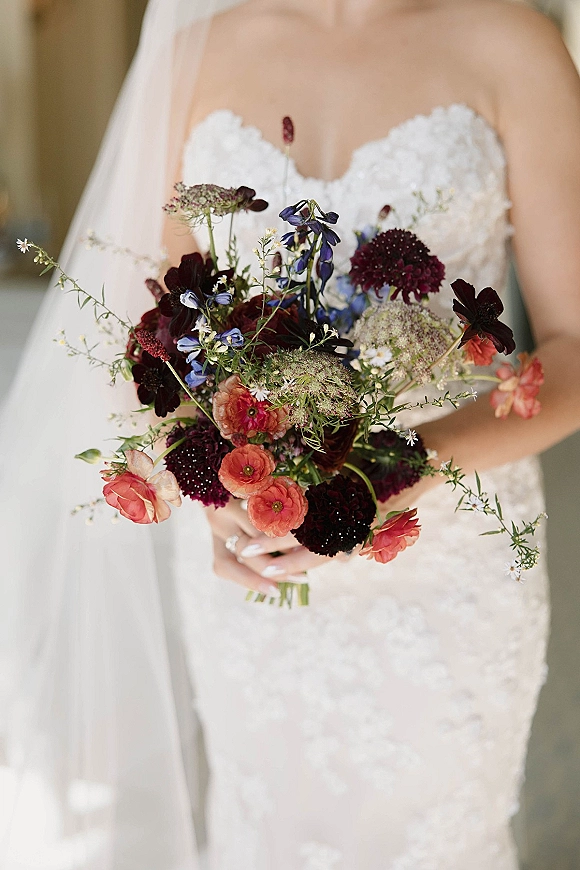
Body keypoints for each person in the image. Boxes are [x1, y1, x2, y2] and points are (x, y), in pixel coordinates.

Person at [1, 0, 579, 868]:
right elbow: (159, 347)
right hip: (254, 570)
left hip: (445, 560)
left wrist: (406, 470)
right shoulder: (193, 55)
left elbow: (576, 352)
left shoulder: (510, 40)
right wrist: (212, 490)